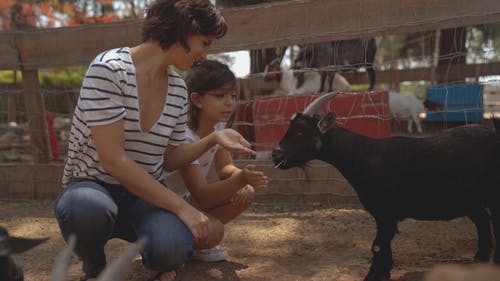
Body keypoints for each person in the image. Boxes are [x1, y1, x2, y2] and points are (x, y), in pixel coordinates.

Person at [54, 1, 255, 281]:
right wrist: (183, 208)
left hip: (143, 194)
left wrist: (213, 139)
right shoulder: (108, 69)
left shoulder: (176, 89)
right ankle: (95, 268)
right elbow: (113, 160)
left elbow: (170, 158)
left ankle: (158, 257)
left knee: (174, 248)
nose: (203, 54)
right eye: (204, 43)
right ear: (185, 30)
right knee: (84, 208)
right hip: (94, 184)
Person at [165, 60, 268, 262]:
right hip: (171, 205)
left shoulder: (218, 128)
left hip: (190, 201)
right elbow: (202, 194)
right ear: (197, 99)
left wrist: (240, 177)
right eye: (220, 96)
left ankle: (197, 241)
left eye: (233, 96)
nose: (230, 102)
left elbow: (224, 168)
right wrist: (239, 180)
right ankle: (190, 240)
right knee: (216, 230)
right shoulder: (185, 137)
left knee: (246, 193)